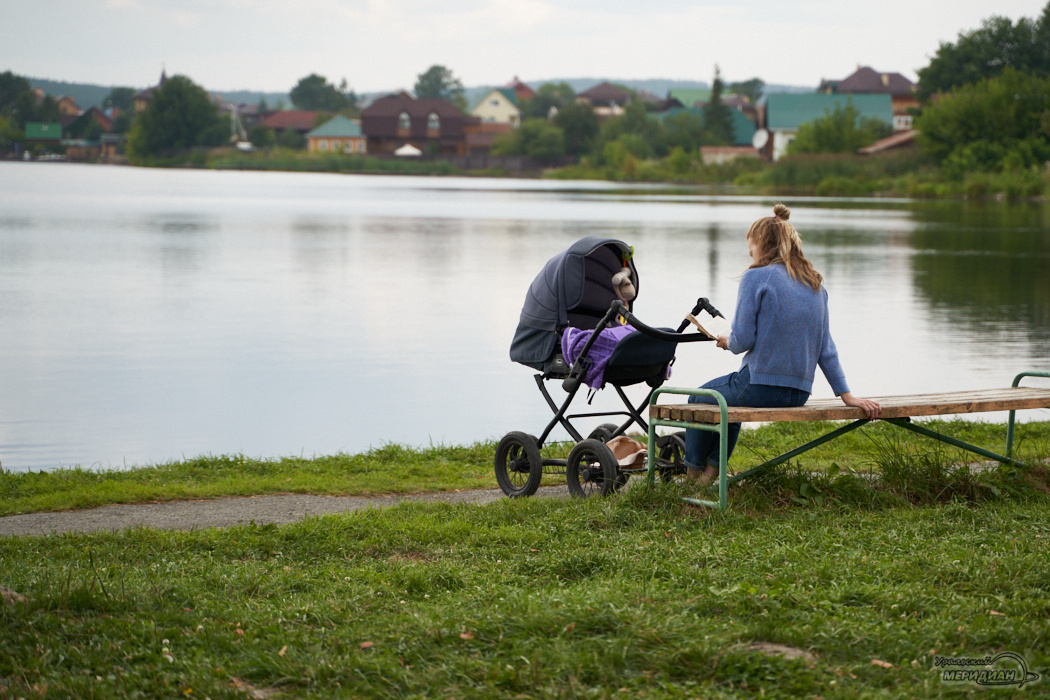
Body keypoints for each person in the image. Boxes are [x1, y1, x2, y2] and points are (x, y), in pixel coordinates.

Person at [685, 204, 881, 483]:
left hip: (758, 387)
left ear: (760, 241)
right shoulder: (816, 285)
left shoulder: (755, 276)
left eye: (750, 247)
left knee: (697, 400)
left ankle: (693, 476)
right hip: (798, 393)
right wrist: (847, 396)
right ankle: (708, 477)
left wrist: (727, 341)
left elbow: (743, 340)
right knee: (730, 409)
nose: (750, 254)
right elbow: (825, 348)